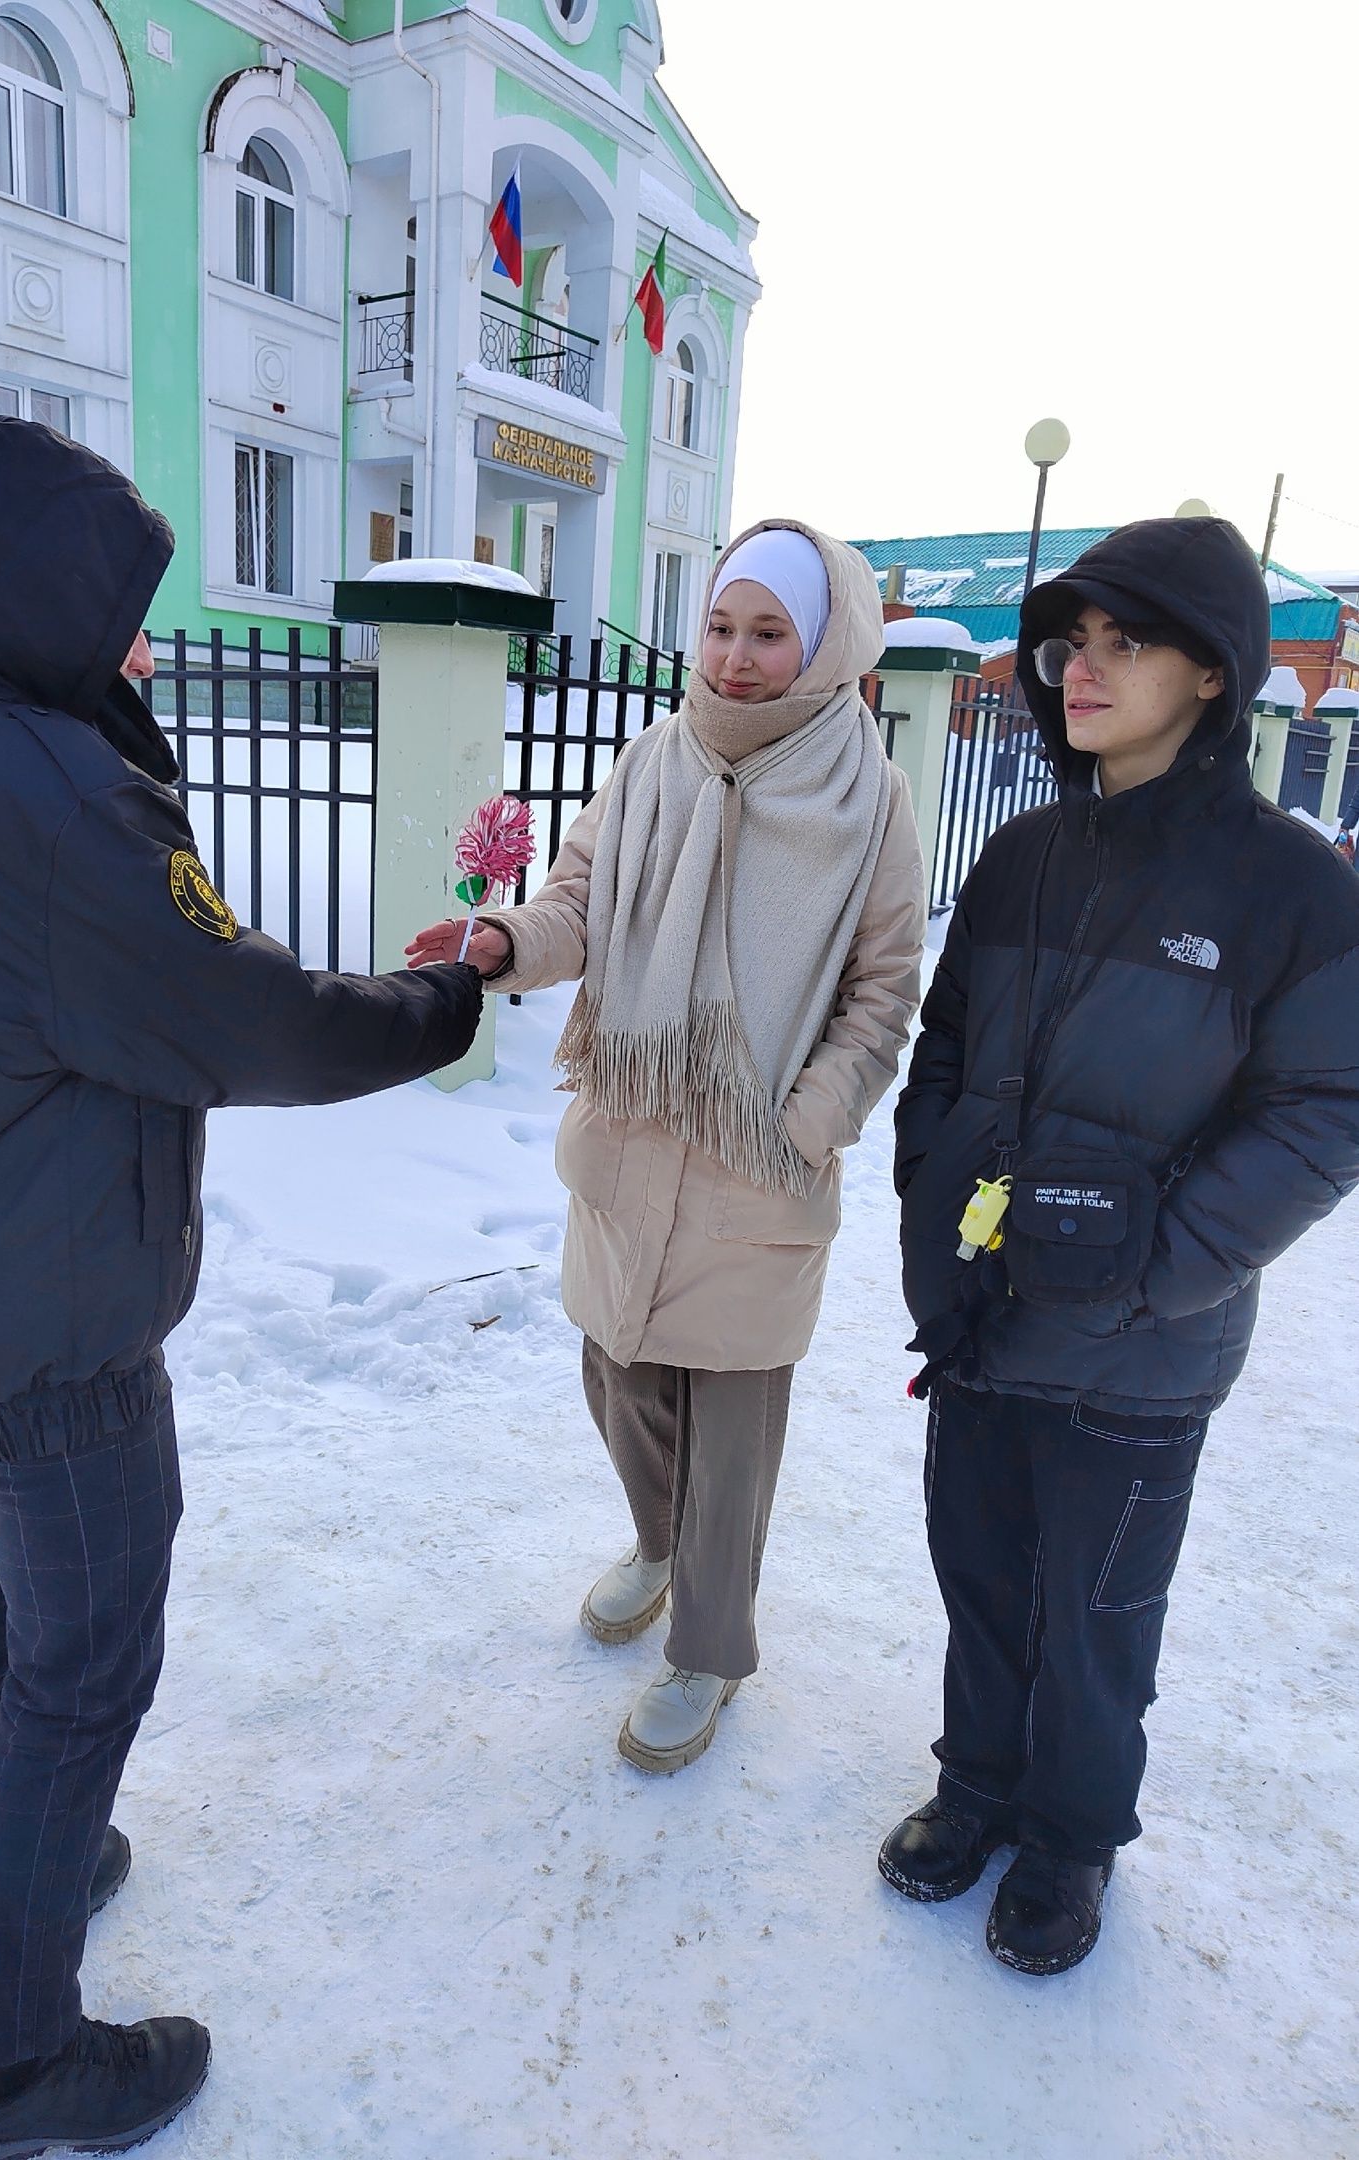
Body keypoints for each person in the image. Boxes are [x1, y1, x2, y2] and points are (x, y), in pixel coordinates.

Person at [0, 417, 482, 2159]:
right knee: (78, 1673)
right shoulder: (52, 799)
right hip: (47, 1323)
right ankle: (10, 2062)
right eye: (121, 607)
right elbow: (249, 1021)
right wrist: (438, 1005)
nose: (140, 644)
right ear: (36, 596)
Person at [882, 516, 1359, 1975]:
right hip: (982, 1313)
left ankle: (1072, 1839)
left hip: (1146, 1345)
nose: (1082, 669)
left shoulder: (1298, 889)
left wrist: (1156, 1266)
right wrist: (929, 1180)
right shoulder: (1022, 854)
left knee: (1095, 1613)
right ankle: (976, 1788)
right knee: (978, 1573)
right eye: (1068, 642)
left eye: (1124, 641)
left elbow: (1325, 1109)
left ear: (1210, 673)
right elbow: (948, 1045)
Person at [407, 521, 925, 1772]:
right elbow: (580, 898)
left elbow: (885, 984)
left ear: (826, 646)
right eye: (721, 627)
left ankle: (708, 1649)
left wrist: (809, 1116)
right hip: (635, 1137)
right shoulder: (653, 759)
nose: (737, 659)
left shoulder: (870, 796)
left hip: (757, 1161)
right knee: (620, 1379)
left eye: (769, 634)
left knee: (734, 1436)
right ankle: (654, 1545)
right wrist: (504, 942)